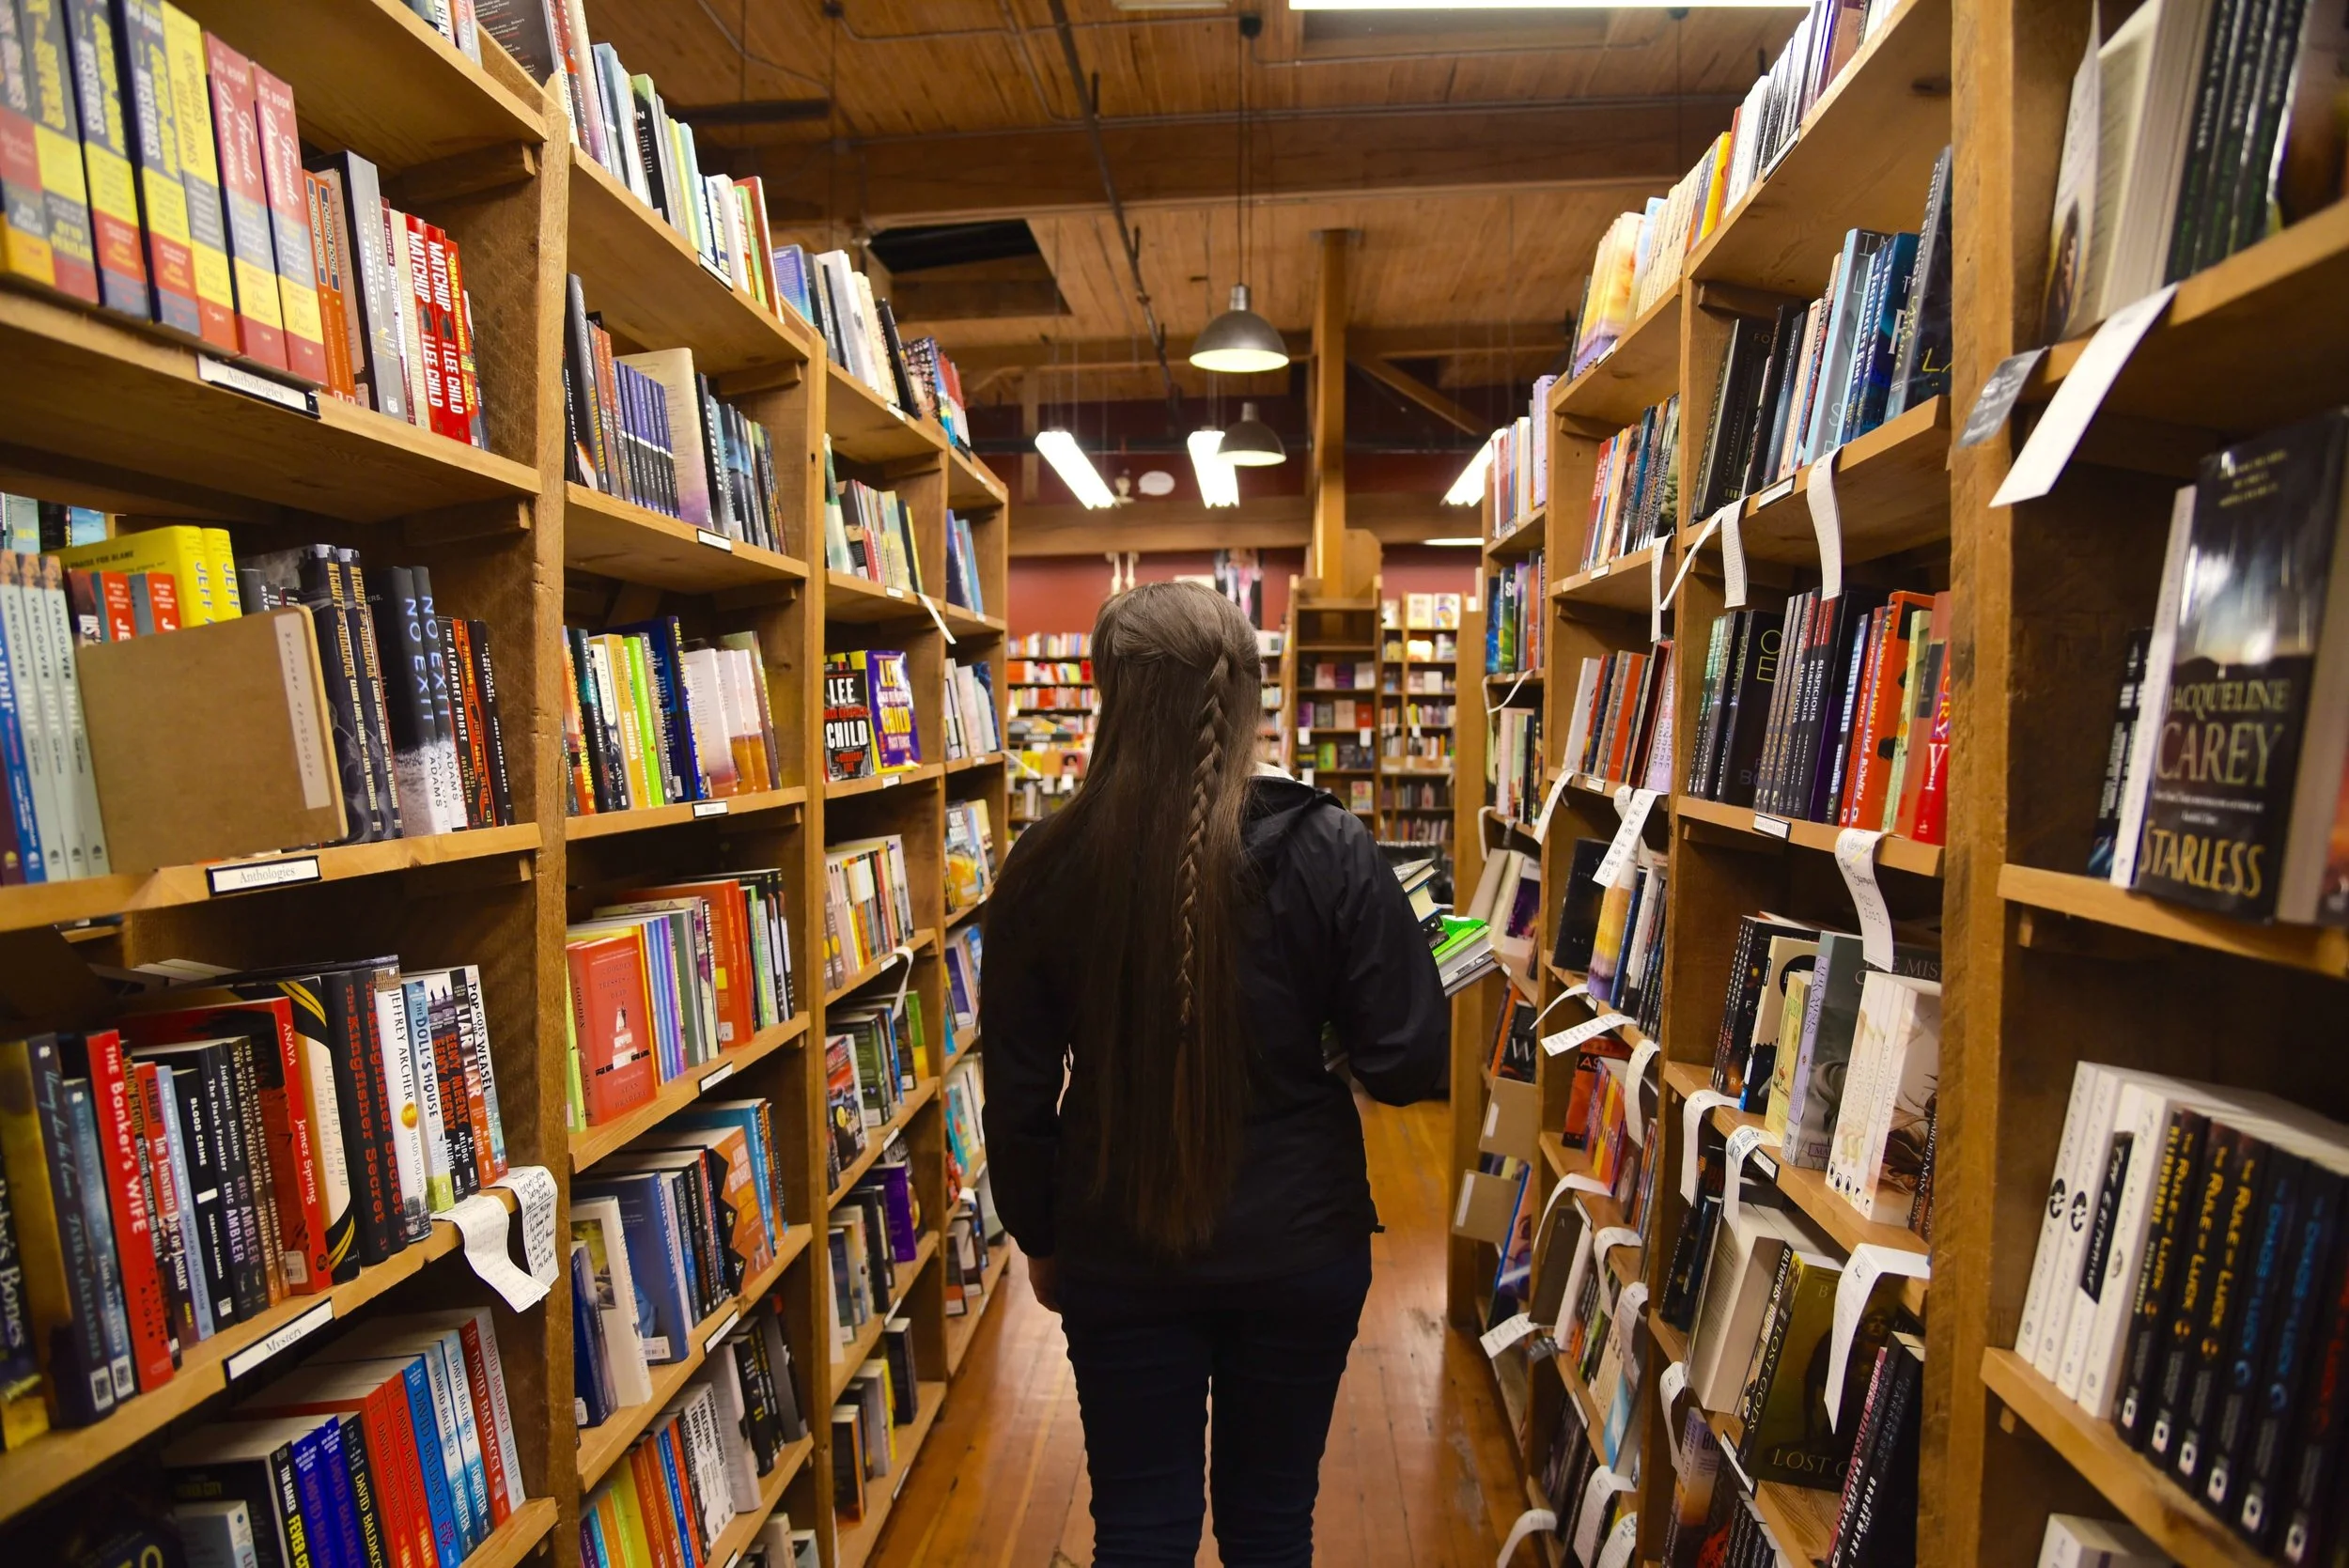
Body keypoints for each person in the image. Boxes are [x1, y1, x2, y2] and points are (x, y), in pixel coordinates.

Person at [982, 582, 1450, 1567]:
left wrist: (1039, 1233)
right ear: (1249, 697)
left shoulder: (1044, 862)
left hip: (1116, 1235)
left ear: (1109, 694)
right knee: (1272, 1525)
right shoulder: (1330, 847)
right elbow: (1406, 1061)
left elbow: (1017, 1092)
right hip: (1298, 1240)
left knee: (1140, 1532)